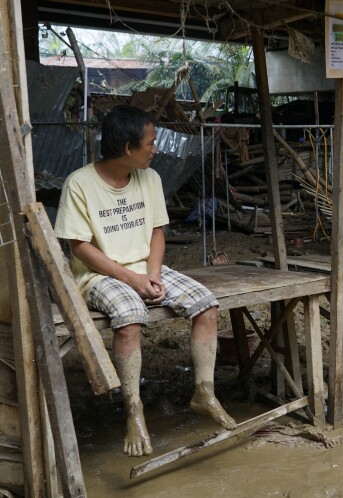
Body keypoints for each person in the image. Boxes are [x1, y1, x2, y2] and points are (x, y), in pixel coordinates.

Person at [55, 105, 236, 457]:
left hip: (146, 268)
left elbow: (157, 233)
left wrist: (152, 274)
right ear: (127, 148)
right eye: (151, 143)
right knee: (129, 319)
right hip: (99, 273)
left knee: (207, 304)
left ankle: (204, 391)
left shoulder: (149, 178)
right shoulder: (79, 183)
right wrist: (131, 279)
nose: (156, 149)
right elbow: (79, 247)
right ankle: (133, 409)